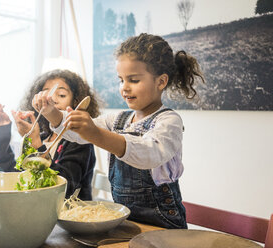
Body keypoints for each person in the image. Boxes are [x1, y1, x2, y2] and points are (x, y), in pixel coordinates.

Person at [33, 33, 205, 229]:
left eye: (133, 80)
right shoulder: (118, 119)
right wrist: (52, 114)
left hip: (163, 224)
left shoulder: (169, 121)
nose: (124, 88)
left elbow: (149, 153)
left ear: (161, 81)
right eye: (121, 80)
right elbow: (76, 134)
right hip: (126, 220)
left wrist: (95, 134)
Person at [0, 69, 101, 200]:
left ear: (75, 101)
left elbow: (65, 188)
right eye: (46, 95)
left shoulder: (80, 141)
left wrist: (37, 144)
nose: (52, 100)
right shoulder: (42, 137)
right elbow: (14, 176)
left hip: (71, 215)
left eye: (61, 95)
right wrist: (1, 136)